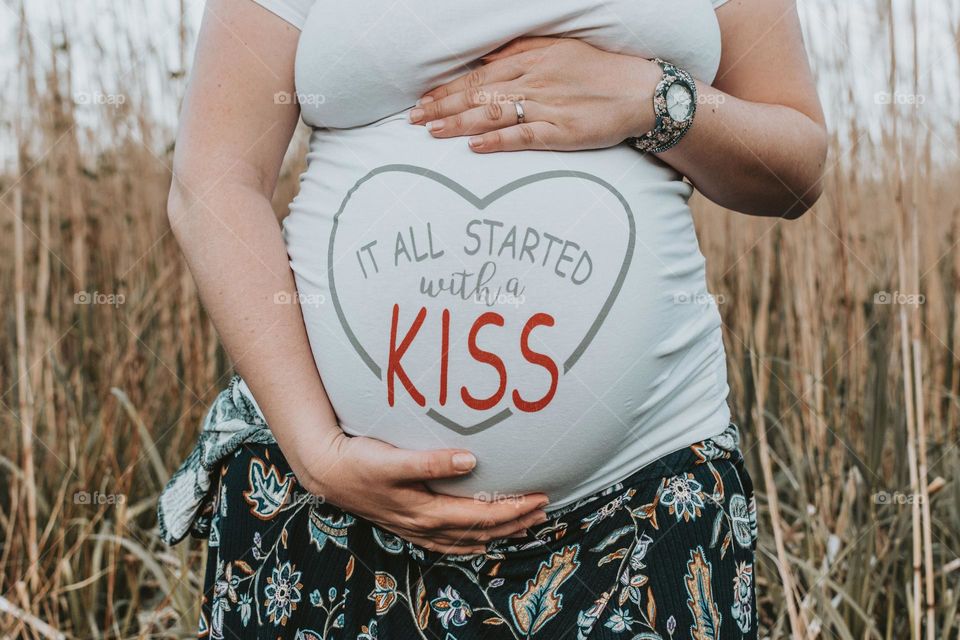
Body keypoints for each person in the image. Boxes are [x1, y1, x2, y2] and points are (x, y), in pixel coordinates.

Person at [160, 0, 826, 637]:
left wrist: (654, 100)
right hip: (332, 501)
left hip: (643, 498)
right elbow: (215, 177)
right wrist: (317, 453)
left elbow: (796, 170)